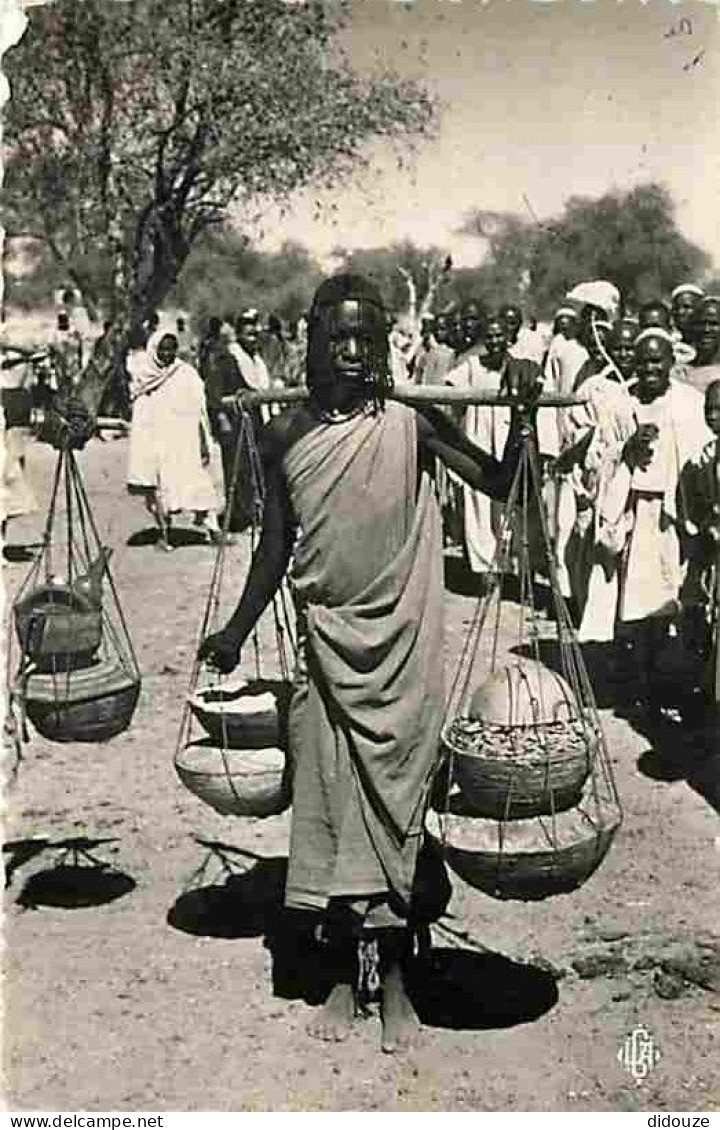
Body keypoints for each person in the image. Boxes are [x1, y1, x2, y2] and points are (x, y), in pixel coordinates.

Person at [198, 274, 535, 1054]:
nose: (352, 352)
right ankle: (347, 978)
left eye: (367, 339)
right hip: (324, 644)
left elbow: (499, 482)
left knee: (397, 808)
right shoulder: (284, 434)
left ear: (384, 347)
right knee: (330, 806)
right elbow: (276, 547)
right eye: (337, 337)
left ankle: (400, 984)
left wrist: (520, 414)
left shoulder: (415, 422)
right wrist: (235, 629)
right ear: (310, 341)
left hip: (402, 651)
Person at [599, 327, 712, 717]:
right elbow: (601, 456)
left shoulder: (690, 403)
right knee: (641, 610)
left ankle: (686, 687)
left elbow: (703, 459)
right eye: (643, 362)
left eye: (656, 362)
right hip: (637, 514)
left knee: (684, 604)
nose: (649, 370)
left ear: (670, 363)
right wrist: (626, 449)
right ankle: (645, 686)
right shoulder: (619, 402)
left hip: (680, 518)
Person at [127, 331, 220, 550]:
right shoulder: (144, 377)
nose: (168, 353)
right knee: (160, 492)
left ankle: (213, 531)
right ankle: (164, 534)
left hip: (184, 444)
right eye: (163, 348)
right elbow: (140, 418)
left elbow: (200, 408)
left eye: (172, 348)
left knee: (199, 485)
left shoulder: (186, 373)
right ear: (154, 349)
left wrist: (202, 438)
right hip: (158, 446)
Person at [414, 314, 456, 386]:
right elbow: (418, 378)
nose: (438, 332)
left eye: (442, 329)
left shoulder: (453, 354)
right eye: (436, 329)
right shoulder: (426, 352)